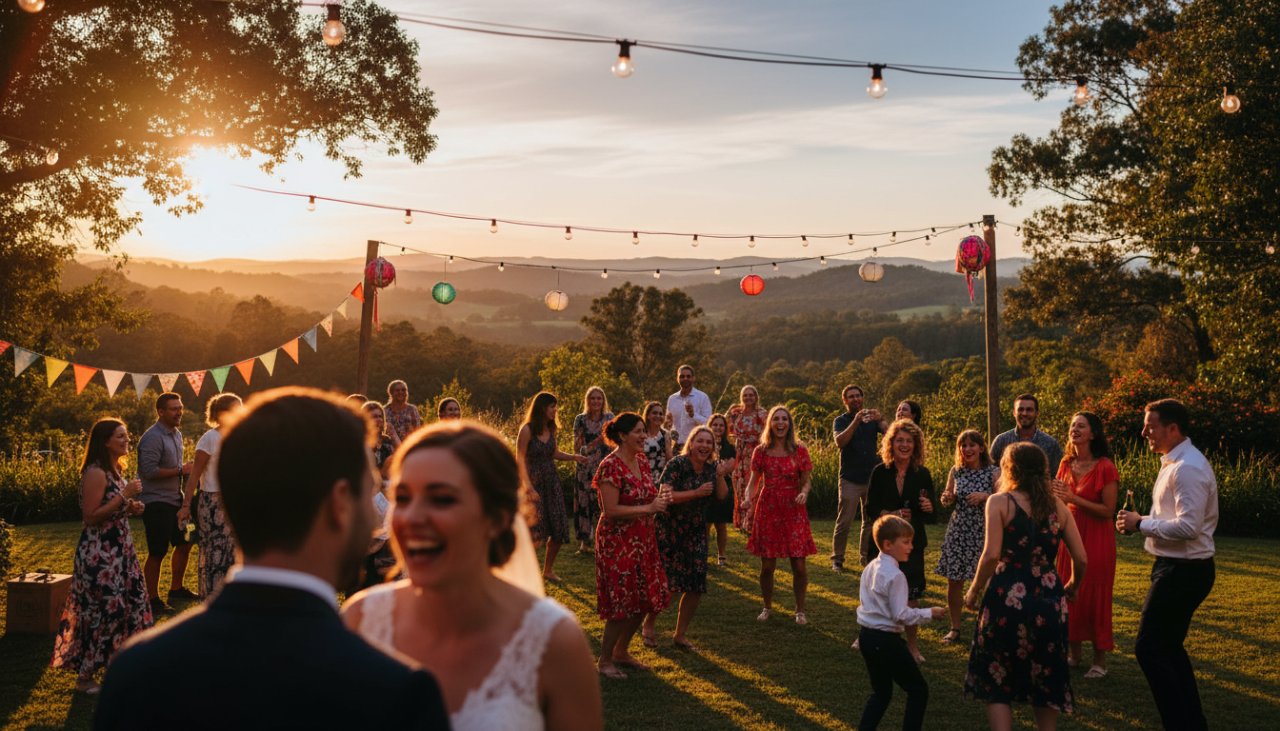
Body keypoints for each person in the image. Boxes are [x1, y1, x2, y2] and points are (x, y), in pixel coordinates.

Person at [95, 388, 450, 730]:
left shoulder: (138, 671)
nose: (376, 515)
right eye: (367, 490)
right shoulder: (399, 694)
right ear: (340, 503)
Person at [345, 422, 603, 730]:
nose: (412, 518)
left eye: (442, 499)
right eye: (402, 497)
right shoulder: (362, 619)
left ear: (497, 518)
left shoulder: (553, 641)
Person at [964, 443, 1087, 731]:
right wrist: (1073, 585)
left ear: (1010, 468)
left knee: (998, 678)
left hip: (1005, 597)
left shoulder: (999, 502)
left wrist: (973, 590)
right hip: (1048, 597)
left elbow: (992, 554)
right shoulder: (1058, 507)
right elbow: (1081, 558)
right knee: (1045, 678)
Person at [1116, 399, 1218, 731]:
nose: (1144, 431)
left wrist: (1140, 524)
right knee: (1168, 648)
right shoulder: (1173, 462)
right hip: (1174, 567)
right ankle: (1193, 724)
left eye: (1151, 425)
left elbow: (1189, 528)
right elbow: (1174, 518)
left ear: (1172, 428)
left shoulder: (1187, 467)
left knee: (1149, 648)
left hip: (1184, 571)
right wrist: (1139, 521)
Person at [51, 418, 151, 694]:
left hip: (121, 552)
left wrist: (130, 507)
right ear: (105, 441)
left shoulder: (116, 470)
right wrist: (124, 496)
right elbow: (91, 517)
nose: (126, 440)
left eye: (126, 435)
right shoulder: (95, 472)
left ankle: (120, 667)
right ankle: (84, 678)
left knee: (133, 607)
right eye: (120, 436)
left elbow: (113, 506)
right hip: (99, 555)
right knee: (105, 612)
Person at [593, 412, 672, 679]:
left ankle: (621, 651)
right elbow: (610, 509)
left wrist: (660, 500)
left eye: (644, 431)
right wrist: (647, 507)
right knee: (622, 602)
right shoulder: (609, 466)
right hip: (617, 541)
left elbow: (647, 494)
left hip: (644, 538)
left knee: (646, 598)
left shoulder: (642, 461)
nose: (644, 436)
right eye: (638, 432)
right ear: (623, 436)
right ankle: (604, 660)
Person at [641, 426, 730, 650]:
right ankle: (649, 624)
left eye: (709, 443)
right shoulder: (677, 465)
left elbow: (722, 496)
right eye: (700, 441)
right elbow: (665, 495)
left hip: (696, 531)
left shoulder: (711, 468)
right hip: (669, 529)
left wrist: (720, 476)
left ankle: (680, 635)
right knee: (668, 584)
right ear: (691, 443)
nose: (704, 446)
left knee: (695, 585)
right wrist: (695, 493)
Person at [856, 515, 947, 731]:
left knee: (881, 693)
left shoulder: (871, 567)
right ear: (888, 544)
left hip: (867, 637)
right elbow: (901, 615)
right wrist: (929, 613)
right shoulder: (895, 576)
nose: (911, 547)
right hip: (886, 640)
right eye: (905, 542)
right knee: (918, 690)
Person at [1052, 412, 1118, 678]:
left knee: (1095, 597)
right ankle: (1074, 654)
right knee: (1069, 593)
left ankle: (1099, 661)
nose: (1075, 429)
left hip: (1098, 540)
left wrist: (1072, 499)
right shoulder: (1065, 463)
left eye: (1081, 426)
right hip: (1068, 537)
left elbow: (1108, 510)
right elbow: (1058, 498)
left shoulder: (1105, 467)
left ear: (1093, 433)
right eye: (1072, 425)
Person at [865, 418, 935, 660]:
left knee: (911, 597)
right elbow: (870, 509)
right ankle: (869, 635)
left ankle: (912, 646)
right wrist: (890, 514)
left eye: (909, 441)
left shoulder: (922, 474)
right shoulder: (880, 471)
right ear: (891, 443)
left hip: (910, 544)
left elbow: (933, 515)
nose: (904, 445)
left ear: (916, 446)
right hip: (884, 544)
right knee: (879, 592)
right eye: (900, 440)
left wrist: (927, 507)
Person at [741, 405, 817, 625]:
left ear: (789, 424)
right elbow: (754, 482)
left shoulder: (799, 450)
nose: (781, 423)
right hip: (769, 508)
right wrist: (748, 499)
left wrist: (804, 492)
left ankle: (800, 610)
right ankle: (767, 606)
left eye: (785, 419)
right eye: (777, 419)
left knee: (799, 565)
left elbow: (806, 481)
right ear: (770, 424)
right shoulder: (761, 451)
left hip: (794, 508)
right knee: (767, 566)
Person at [517, 391, 588, 583]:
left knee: (558, 527)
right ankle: (524, 571)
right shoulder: (527, 430)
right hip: (533, 483)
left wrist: (574, 457)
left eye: (556, 406)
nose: (555, 410)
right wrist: (528, 486)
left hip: (551, 482)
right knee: (534, 531)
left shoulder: (550, 429)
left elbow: (554, 452)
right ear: (542, 408)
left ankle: (547, 570)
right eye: (552, 406)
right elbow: (520, 460)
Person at [179, 392, 243, 600]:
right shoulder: (209, 438)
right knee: (216, 551)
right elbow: (194, 476)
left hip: (235, 500)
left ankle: (235, 595)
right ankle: (214, 598)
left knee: (236, 549)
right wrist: (186, 505)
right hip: (213, 503)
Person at [935, 429, 997, 643]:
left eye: (972, 445)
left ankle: (986, 628)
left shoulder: (993, 472)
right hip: (959, 531)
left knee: (988, 582)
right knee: (955, 580)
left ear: (981, 448)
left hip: (985, 532)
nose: (967, 449)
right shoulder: (956, 471)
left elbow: (1005, 498)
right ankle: (955, 628)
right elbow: (947, 497)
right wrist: (946, 497)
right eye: (963, 445)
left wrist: (985, 496)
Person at [137, 392, 194, 614]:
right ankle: (151, 599)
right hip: (156, 503)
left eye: (180, 408)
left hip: (176, 501)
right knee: (157, 551)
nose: (179, 412)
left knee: (187, 541)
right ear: (161, 412)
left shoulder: (176, 434)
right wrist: (181, 470)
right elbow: (149, 472)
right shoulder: (152, 437)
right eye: (174, 409)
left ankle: (176, 588)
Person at [831, 384, 887, 572]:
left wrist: (882, 420)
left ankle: (866, 559)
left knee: (869, 521)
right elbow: (840, 442)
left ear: (862, 398)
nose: (855, 399)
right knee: (845, 520)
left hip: (871, 476)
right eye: (851, 396)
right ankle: (837, 559)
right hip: (850, 478)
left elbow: (891, 436)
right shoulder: (840, 420)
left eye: (858, 396)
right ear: (845, 401)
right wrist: (855, 421)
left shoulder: (872, 419)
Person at [360, 400, 399, 589]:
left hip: (387, 493)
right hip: (369, 496)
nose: (378, 420)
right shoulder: (360, 444)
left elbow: (400, 459)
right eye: (373, 416)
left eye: (380, 416)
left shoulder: (388, 443)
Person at [573, 387, 614, 554]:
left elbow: (614, 442)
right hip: (584, 467)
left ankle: (602, 541)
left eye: (599, 398)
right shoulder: (580, 419)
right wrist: (596, 443)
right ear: (587, 401)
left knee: (602, 503)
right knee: (584, 503)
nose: (596, 401)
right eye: (593, 398)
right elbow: (578, 448)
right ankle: (584, 542)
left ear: (603, 401)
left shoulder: (609, 418)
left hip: (604, 467)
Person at [726, 385, 767, 531]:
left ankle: (753, 522)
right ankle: (742, 522)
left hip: (755, 452)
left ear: (756, 397)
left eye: (751, 395)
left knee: (755, 486)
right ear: (741, 397)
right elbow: (726, 428)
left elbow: (768, 433)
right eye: (745, 395)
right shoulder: (736, 413)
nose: (748, 398)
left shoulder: (762, 414)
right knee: (739, 485)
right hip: (739, 454)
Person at [990, 394, 1063, 470]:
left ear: (1037, 413)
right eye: (1020, 409)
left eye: (1029, 410)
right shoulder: (1001, 441)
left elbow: (1057, 476)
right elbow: (990, 472)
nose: (1024, 413)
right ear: (1014, 413)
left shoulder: (1050, 444)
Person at [705, 413, 737, 565]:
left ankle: (721, 556)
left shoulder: (730, 448)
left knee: (721, 525)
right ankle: (703, 555)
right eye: (715, 425)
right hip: (706, 488)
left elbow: (730, 466)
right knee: (705, 525)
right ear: (710, 426)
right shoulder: (704, 444)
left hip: (723, 488)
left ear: (725, 429)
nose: (718, 428)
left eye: (721, 425)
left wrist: (720, 468)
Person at [665, 364, 713, 451]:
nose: (685, 378)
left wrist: (693, 415)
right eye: (682, 376)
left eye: (688, 376)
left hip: (695, 446)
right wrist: (667, 422)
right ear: (677, 379)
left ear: (693, 378)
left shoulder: (702, 397)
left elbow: (709, 423)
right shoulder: (672, 399)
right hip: (676, 446)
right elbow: (669, 424)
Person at [641, 400, 673, 484]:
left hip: (660, 478)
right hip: (642, 476)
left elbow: (669, 459)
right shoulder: (641, 434)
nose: (658, 416)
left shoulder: (665, 434)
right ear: (647, 415)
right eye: (654, 413)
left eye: (661, 414)